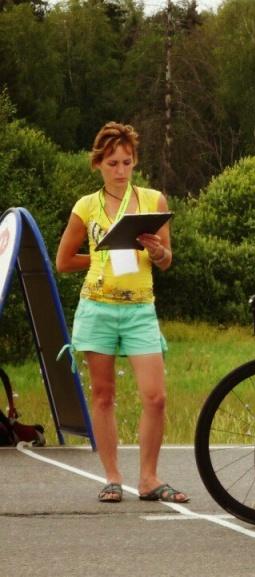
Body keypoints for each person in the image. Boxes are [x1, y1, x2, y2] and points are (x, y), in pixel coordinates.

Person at [55, 122, 187, 503]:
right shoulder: (86, 206)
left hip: (140, 308)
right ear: (98, 163)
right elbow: (63, 261)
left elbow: (165, 259)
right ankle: (112, 477)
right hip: (98, 307)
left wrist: (157, 251)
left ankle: (149, 478)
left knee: (155, 396)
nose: (120, 170)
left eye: (127, 162)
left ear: (135, 162)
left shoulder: (153, 200)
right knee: (103, 395)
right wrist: (101, 256)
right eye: (112, 163)